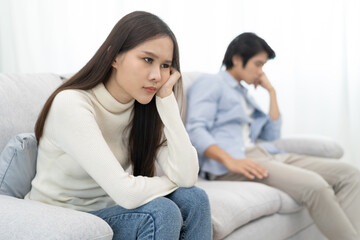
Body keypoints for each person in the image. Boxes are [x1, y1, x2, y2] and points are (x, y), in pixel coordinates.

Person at [25, 11, 212, 240]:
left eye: (165, 66)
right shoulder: (72, 104)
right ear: (114, 56)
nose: (156, 75)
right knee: (161, 213)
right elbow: (127, 194)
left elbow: (188, 177)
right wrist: (172, 181)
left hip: (108, 211)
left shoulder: (145, 108)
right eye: (147, 59)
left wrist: (167, 103)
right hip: (62, 217)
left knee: (195, 198)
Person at [186, 32, 360, 240]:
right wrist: (230, 160)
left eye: (263, 66)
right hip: (234, 162)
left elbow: (271, 135)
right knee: (315, 186)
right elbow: (195, 129)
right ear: (237, 59)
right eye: (258, 64)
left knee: (349, 175)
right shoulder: (211, 82)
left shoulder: (243, 94)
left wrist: (272, 92)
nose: (261, 72)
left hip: (264, 153)